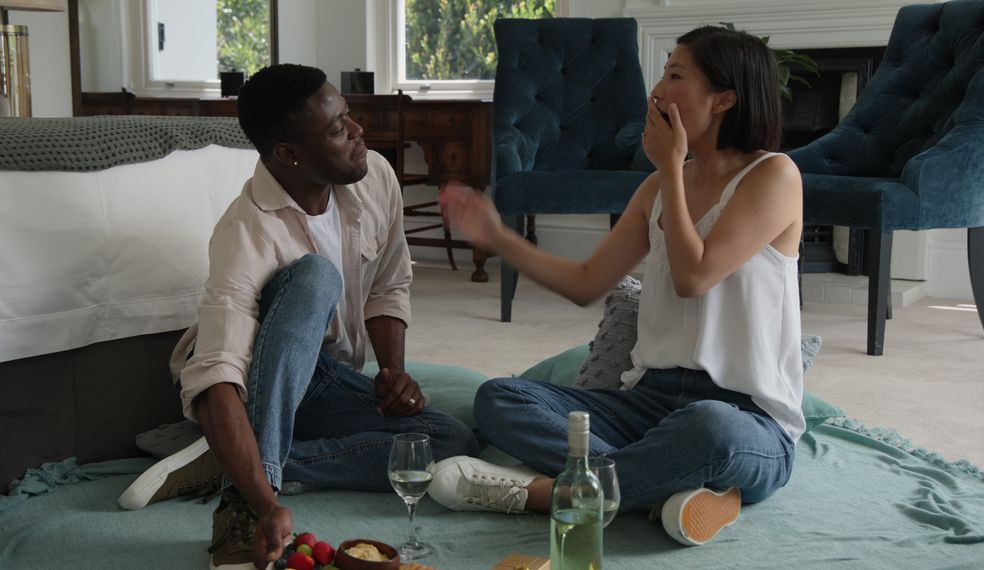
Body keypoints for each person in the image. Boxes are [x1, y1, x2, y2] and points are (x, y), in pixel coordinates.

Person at [428, 26, 803, 547]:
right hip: (647, 404)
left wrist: (671, 167)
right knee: (501, 399)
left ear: (724, 98)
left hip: (745, 417)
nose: (657, 91)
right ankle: (664, 486)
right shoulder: (657, 187)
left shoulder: (774, 176)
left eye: (675, 75)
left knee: (709, 430)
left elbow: (694, 275)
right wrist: (496, 235)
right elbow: (588, 282)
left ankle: (545, 493)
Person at [118, 64, 478, 569]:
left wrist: (393, 375)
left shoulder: (376, 177)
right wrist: (264, 505)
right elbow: (217, 370)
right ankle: (243, 491)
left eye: (348, 117)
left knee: (445, 442)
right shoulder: (245, 230)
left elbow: (389, 286)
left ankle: (236, 461)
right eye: (337, 129)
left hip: (326, 381)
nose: (358, 133)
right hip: (255, 381)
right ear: (289, 154)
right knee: (316, 277)